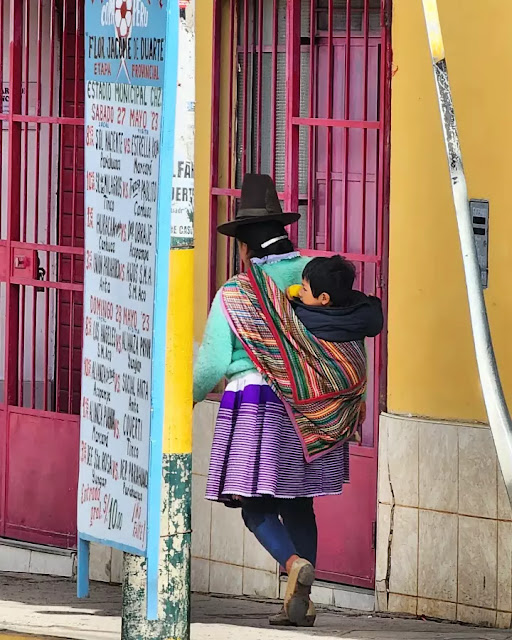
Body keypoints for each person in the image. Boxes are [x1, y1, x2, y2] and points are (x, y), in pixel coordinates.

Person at [193, 174, 371, 627]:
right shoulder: (317, 273)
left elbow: (212, 365)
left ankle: (294, 567)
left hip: (257, 405)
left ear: (244, 245)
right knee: (299, 501)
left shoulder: (236, 292)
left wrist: (183, 402)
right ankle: (303, 603)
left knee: (254, 506)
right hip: (315, 405)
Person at [287, 255, 384, 342]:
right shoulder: (363, 314)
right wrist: (373, 303)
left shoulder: (305, 319)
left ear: (324, 298)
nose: (300, 292)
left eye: (304, 289)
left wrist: (289, 301)